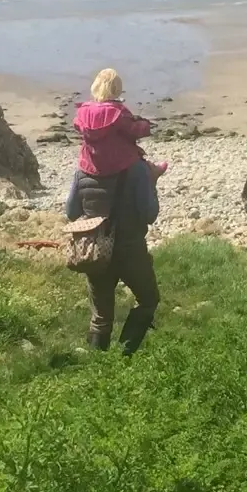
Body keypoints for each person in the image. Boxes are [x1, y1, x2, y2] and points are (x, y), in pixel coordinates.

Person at [64, 155, 161, 354]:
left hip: (97, 251)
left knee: (100, 316)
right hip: (131, 251)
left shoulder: (83, 170)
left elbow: (72, 212)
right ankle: (124, 355)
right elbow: (149, 214)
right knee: (148, 300)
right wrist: (153, 181)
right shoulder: (138, 169)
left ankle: (98, 366)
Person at [74, 68, 167, 180]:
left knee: (78, 177)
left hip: (91, 161)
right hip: (117, 161)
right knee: (141, 170)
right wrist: (145, 125)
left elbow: (77, 124)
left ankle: (72, 197)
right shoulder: (118, 111)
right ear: (117, 90)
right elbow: (133, 130)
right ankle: (152, 173)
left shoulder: (83, 110)